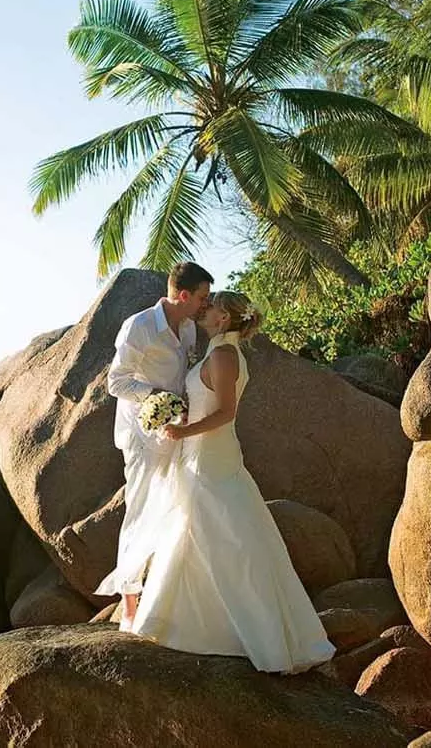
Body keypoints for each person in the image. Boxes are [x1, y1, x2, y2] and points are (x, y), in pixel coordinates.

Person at [127, 290, 335, 673]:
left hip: (211, 457)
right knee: (194, 529)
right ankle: (178, 623)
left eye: (212, 306)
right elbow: (207, 403)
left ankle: (251, 634)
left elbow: (226, 412)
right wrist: (180, 416)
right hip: (200, 454)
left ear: (223, 318)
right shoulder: (217, 351)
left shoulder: (224, 355)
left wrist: (183, 432)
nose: (205, 309)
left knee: (226, 536)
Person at [95, 261, 212, 631]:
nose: (206, 305)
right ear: (183, 295)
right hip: (143, 435)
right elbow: (116, 382)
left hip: (177, 430)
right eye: (202, 297)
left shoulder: (189, 328)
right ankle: (130, 606)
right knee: (141, 509)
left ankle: (166, 594)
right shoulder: (140, 326)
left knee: (175, 506)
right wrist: (158, 396)